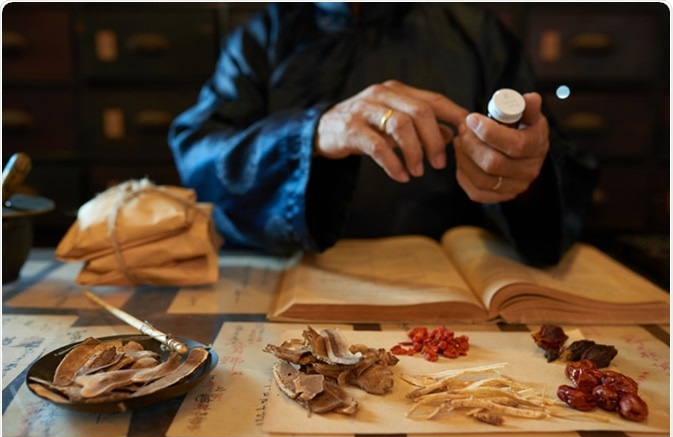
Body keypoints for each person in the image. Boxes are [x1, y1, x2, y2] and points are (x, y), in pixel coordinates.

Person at [168, 3, 599, 266]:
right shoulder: (261, 38)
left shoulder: (479, 34)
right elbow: (199, 157)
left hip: (451, 287)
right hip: (291, 278)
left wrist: (523, 173)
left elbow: (550, 162)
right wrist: (311, 133)